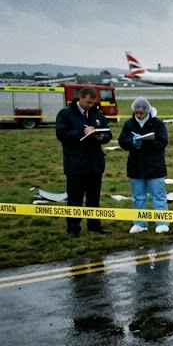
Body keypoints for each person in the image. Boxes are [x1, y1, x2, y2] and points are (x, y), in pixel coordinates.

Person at [55, 86, 112, 238]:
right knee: (75, 198)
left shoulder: (97, 113)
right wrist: (81, 132)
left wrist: (102, 137)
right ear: (80, 98)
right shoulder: (66, 114)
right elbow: (61, 133)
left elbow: (108, 133)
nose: (90, 105)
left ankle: (94, 225)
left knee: (94, 197)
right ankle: (73, 228)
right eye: (88, 102)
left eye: (93, 103)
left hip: (95, 164)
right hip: (76, 164)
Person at [117, 97, 170, 234]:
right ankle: (140, 223)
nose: (138, 116)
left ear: (147, 111)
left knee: (158, 195)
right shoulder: (129, 124)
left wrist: (147, 143)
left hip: (155, 165)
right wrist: (132, 142)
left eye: (141, 113)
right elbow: (122, 141)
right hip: (136, 165)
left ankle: (162, 222)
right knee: (138, 196)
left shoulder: (158, 124)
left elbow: (162, 142)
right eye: (136, 113)